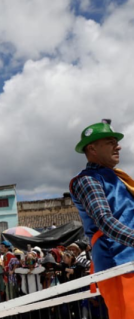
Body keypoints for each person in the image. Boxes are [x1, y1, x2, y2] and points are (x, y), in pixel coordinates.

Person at [70, 119, 134, 319]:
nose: (118, 146)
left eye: (116, 142)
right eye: (110, 142)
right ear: (92, 148)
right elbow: (104, 221)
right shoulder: (87, 180)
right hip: (118, 264)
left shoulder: (117, 177)